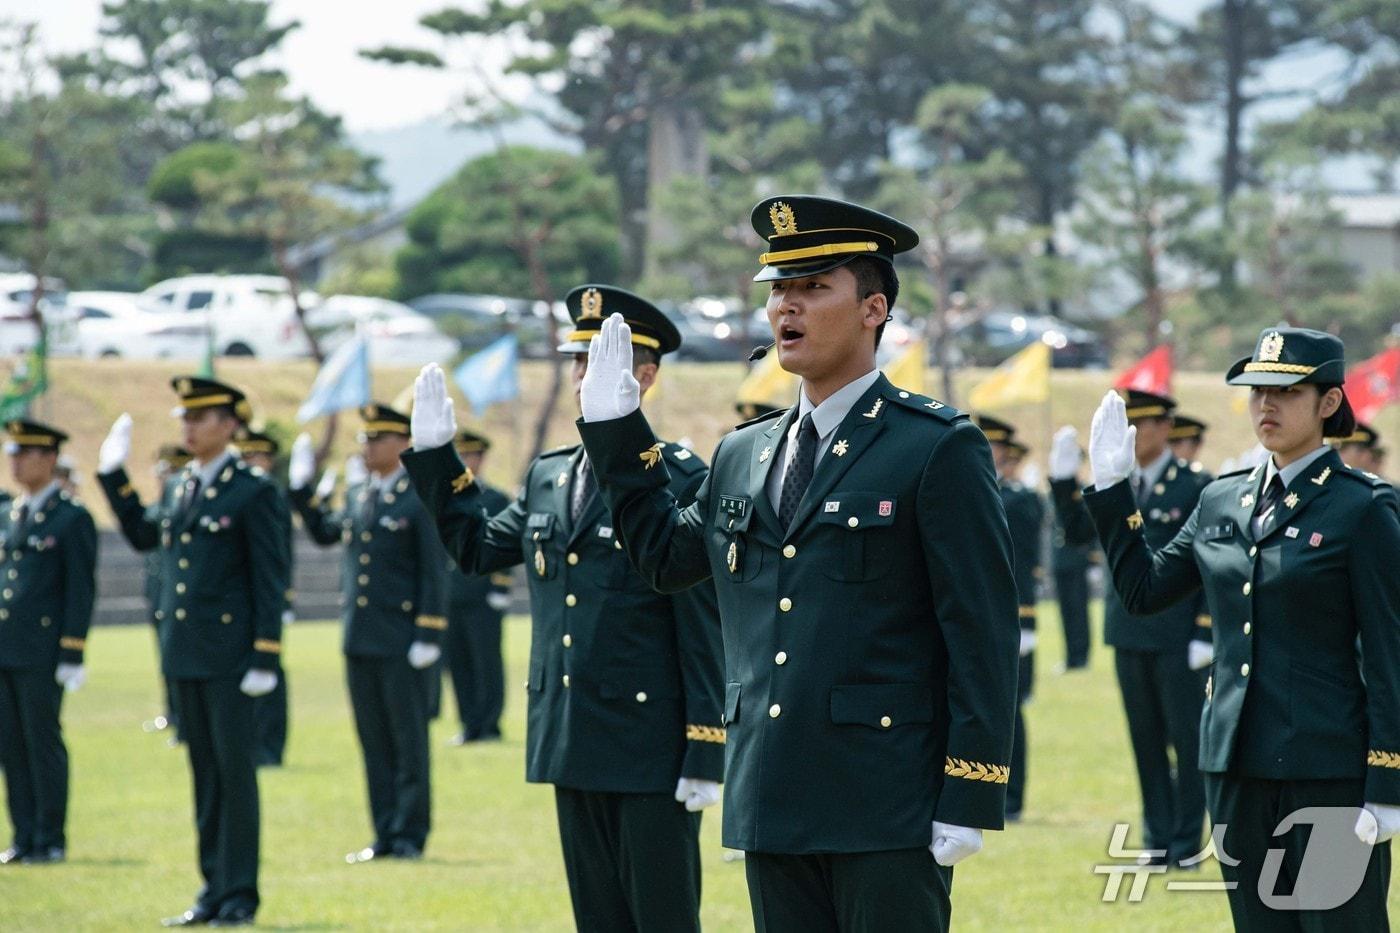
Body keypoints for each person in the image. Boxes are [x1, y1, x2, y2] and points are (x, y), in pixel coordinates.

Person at [544, 197, 1017, 931]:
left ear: (873, 309)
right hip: (771, 790)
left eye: (813, 286)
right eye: (777, 289)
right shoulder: (743, 451)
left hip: (885, 796)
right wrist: (615, 435)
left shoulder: (934, 445)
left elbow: (980, 630)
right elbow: (667, 559)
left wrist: (972, 786)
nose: (786, 306)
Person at [404, 284, 725, 932]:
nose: (585, 377)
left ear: (647, 375)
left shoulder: (678, 477)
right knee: (598, 916)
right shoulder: (551, 474)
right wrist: (439, 462)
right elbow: (476, 547)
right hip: (570, 734)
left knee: (661, 916)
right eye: (579, 362)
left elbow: (700, 625)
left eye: (604, 361)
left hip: (649, 744)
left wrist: (705, 747)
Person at [1083, 327, 1400, 929]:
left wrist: (1388, 778)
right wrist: (1111, 495)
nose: (1266, 406)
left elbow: (1391, 651)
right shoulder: (1222, 500)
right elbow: (1143, 591)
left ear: (1329, 402)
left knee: (1337, 924)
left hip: (1326, 772)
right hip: (1235, 766)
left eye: (1286, 392)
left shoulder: (1362, 509)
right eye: (1257, 391)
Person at [97, 377, 288, 928]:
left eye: (201, 417)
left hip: (231, 658)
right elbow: (142, 536)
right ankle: (211, 889)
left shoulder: (253, 489)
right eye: (184, 416)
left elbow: (270, 577)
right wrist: (113, 478)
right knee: (204, 776)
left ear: (230, 424)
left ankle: (239, 895)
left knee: (233, 775)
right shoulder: (181, 488)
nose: (189, 425)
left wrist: (265, 655)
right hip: (186, 654)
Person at [1050, 389, 1214, 870]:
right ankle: (1157, 839)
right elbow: (1079, 532)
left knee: (1186, 741)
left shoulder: (1194, 485)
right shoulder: (1117, 481)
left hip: (1180, 635)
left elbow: (1207, 563)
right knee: (1144, 740)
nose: (1134, 435)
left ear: (1166, 427)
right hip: (1127, 630)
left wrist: (1205, 629)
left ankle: (1186, 843)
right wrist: (1064, 483)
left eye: (1143, 424)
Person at [286, 404, 446, 863]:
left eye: (377, 438)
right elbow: (325, 534)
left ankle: (410, 834)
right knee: (374, 742)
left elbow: (434, 572)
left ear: (403, 444)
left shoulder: (418, 498)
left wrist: (429, 632)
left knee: (408, 742)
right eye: (364, 438)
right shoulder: (360, 496)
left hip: (402, 639)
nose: (367, 446)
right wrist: (300, 491)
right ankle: (383, 831)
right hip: (361, 637)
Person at [0, 420, 96, 865]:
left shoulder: (71, 518)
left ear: (50, 458)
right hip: (6, 646)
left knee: (42, 741)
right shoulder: (8, 513)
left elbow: (80, 588)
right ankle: (23, 835)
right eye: (12, 453)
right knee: (10, 744)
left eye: (25, 453)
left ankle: (50, 835)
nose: (15, 461)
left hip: (43, 650)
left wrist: (72, 650)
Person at [977, 418, 1043, 822]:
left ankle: (1013, 796)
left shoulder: (1018, 499)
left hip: (1011, 616)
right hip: (973, 616)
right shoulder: (970, 491)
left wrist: (1029, 623)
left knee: (1010, 709)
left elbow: (1026, 565)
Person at [441, 429, 512, 746]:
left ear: (480, 459)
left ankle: (490, 723)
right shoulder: (446, 498)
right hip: (452, 594)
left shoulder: (494, 499)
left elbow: (505, 543)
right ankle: (469, 723)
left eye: (469, 456)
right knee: (458, 663)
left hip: (482, 595)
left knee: (486, 662)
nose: (464, 462)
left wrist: (501, 584)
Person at [235, 429, 295, 768]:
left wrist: (285, 598)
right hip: (245, 599)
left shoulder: (270, 495)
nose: (250, 462)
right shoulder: (246, 493)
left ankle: (271, 745)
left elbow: (279, 555)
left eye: (256, 456)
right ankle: (253, 743)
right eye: (245, 456)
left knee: (270, 670)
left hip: (270, 597)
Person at [144, 444, 191, 741]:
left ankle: (185, 721)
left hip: (182, 600)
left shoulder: (183, 507)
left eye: (170, 471)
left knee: (184, 666)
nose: (163, 478)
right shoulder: (158, 509)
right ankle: (172, 713)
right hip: (159, 595)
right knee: (166, 662)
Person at [1047, 439, 1094, 671]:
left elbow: (1090, 528)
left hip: (1078, 559)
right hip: (1060, 560)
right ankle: (1070, 656)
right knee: (1065, 612)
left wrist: (1094, 560)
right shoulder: (1058, 491)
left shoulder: (1083, 490)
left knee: (1079, 611)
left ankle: (1081, 655)